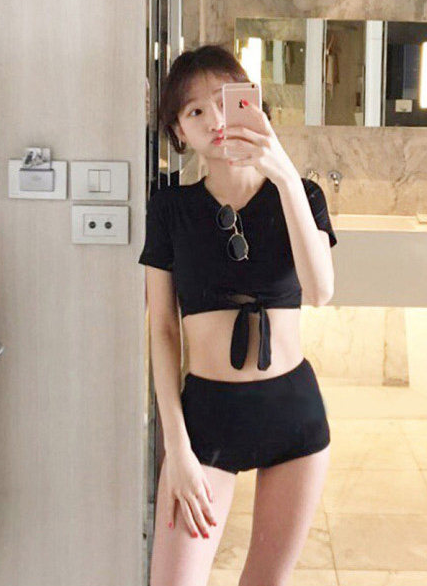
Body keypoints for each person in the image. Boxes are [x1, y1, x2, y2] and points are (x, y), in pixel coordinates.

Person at [140, 44, 338, 586]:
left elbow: (320, 291)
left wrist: (286, 176)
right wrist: (176, 448)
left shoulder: (300, 193)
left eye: (225, 100)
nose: (214, 119)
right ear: (179, 132)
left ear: (253, 104)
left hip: (294, 416)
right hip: (206, 418)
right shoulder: (170, 208)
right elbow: (163, 330)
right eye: (194, 110)